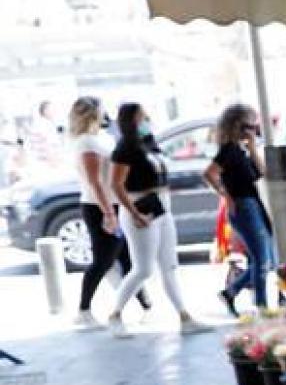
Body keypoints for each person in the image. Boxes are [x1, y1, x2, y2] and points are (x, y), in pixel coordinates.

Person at [104, 102, 204, 337]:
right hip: (140, 208)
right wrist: (134, 213)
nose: (146, 120)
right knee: (143, 269)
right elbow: (116, 184)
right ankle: (115, 314)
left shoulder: (149, 142)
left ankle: (185, 317)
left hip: (162, 207)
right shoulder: (124, 148)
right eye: (142, 117)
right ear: (131, 121)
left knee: (169, 265)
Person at [68, 97, 149, 326]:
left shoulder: (102, 138)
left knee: (126, 256)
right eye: (101, 109)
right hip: (98, 207)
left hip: (113, 204)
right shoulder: (85, 143)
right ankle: (83, 310)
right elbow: (94, 182)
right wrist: (109, 213)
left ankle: (146, 304)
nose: (105, 113)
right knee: (103, 260)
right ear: (93, 113)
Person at [203, 103, 275, 314]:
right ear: (236, 126)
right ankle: (261, 307)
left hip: (254, 203)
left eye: (254, 127)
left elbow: (262, 173)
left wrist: (253, 148)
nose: (252, 131)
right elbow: (209, 173)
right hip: (243, 205)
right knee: (261, 259)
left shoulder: (243, 150)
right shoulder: (229, 150)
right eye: (248, 127)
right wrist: (226, 196)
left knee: (265, 259)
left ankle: (231, 291)